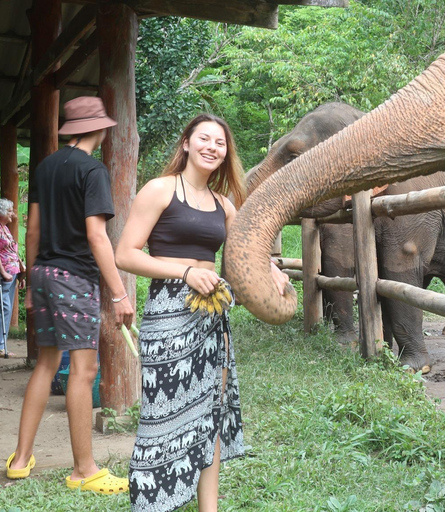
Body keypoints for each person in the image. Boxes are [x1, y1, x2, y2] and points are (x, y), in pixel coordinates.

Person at [116, 113, 288, 512]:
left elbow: (248, 250)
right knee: (163, 412)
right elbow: (125, 254)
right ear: (186, 144)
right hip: (169, 314)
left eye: (221, 142)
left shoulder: (223, 204)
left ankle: (208, 508)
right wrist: (186, 271)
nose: (213, 147)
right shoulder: (160, 190)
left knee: (211, 409)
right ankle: (152, 502)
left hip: (213, 315)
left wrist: (274, 274)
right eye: (204, 139)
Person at [5, 96, 134, 493]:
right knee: (84, 370)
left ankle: (20, 459)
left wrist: (29, 283)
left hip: (43, 273)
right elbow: (96, 235)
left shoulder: (45, 167)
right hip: (74, 277)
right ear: (100, 128)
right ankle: (84, 469)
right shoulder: (92, 170)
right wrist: (118, 294)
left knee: (46, 363)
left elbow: (33, 228)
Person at [0, 198, 24, 358]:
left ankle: (2, 345)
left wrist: (21, 270)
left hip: (13, 273)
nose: (12, 214)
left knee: (6, 309)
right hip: (5, 274)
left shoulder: (5, 229)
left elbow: (12, 251)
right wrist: (3, 273)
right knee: (5, 308)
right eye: (9, 211)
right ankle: (1, 346)